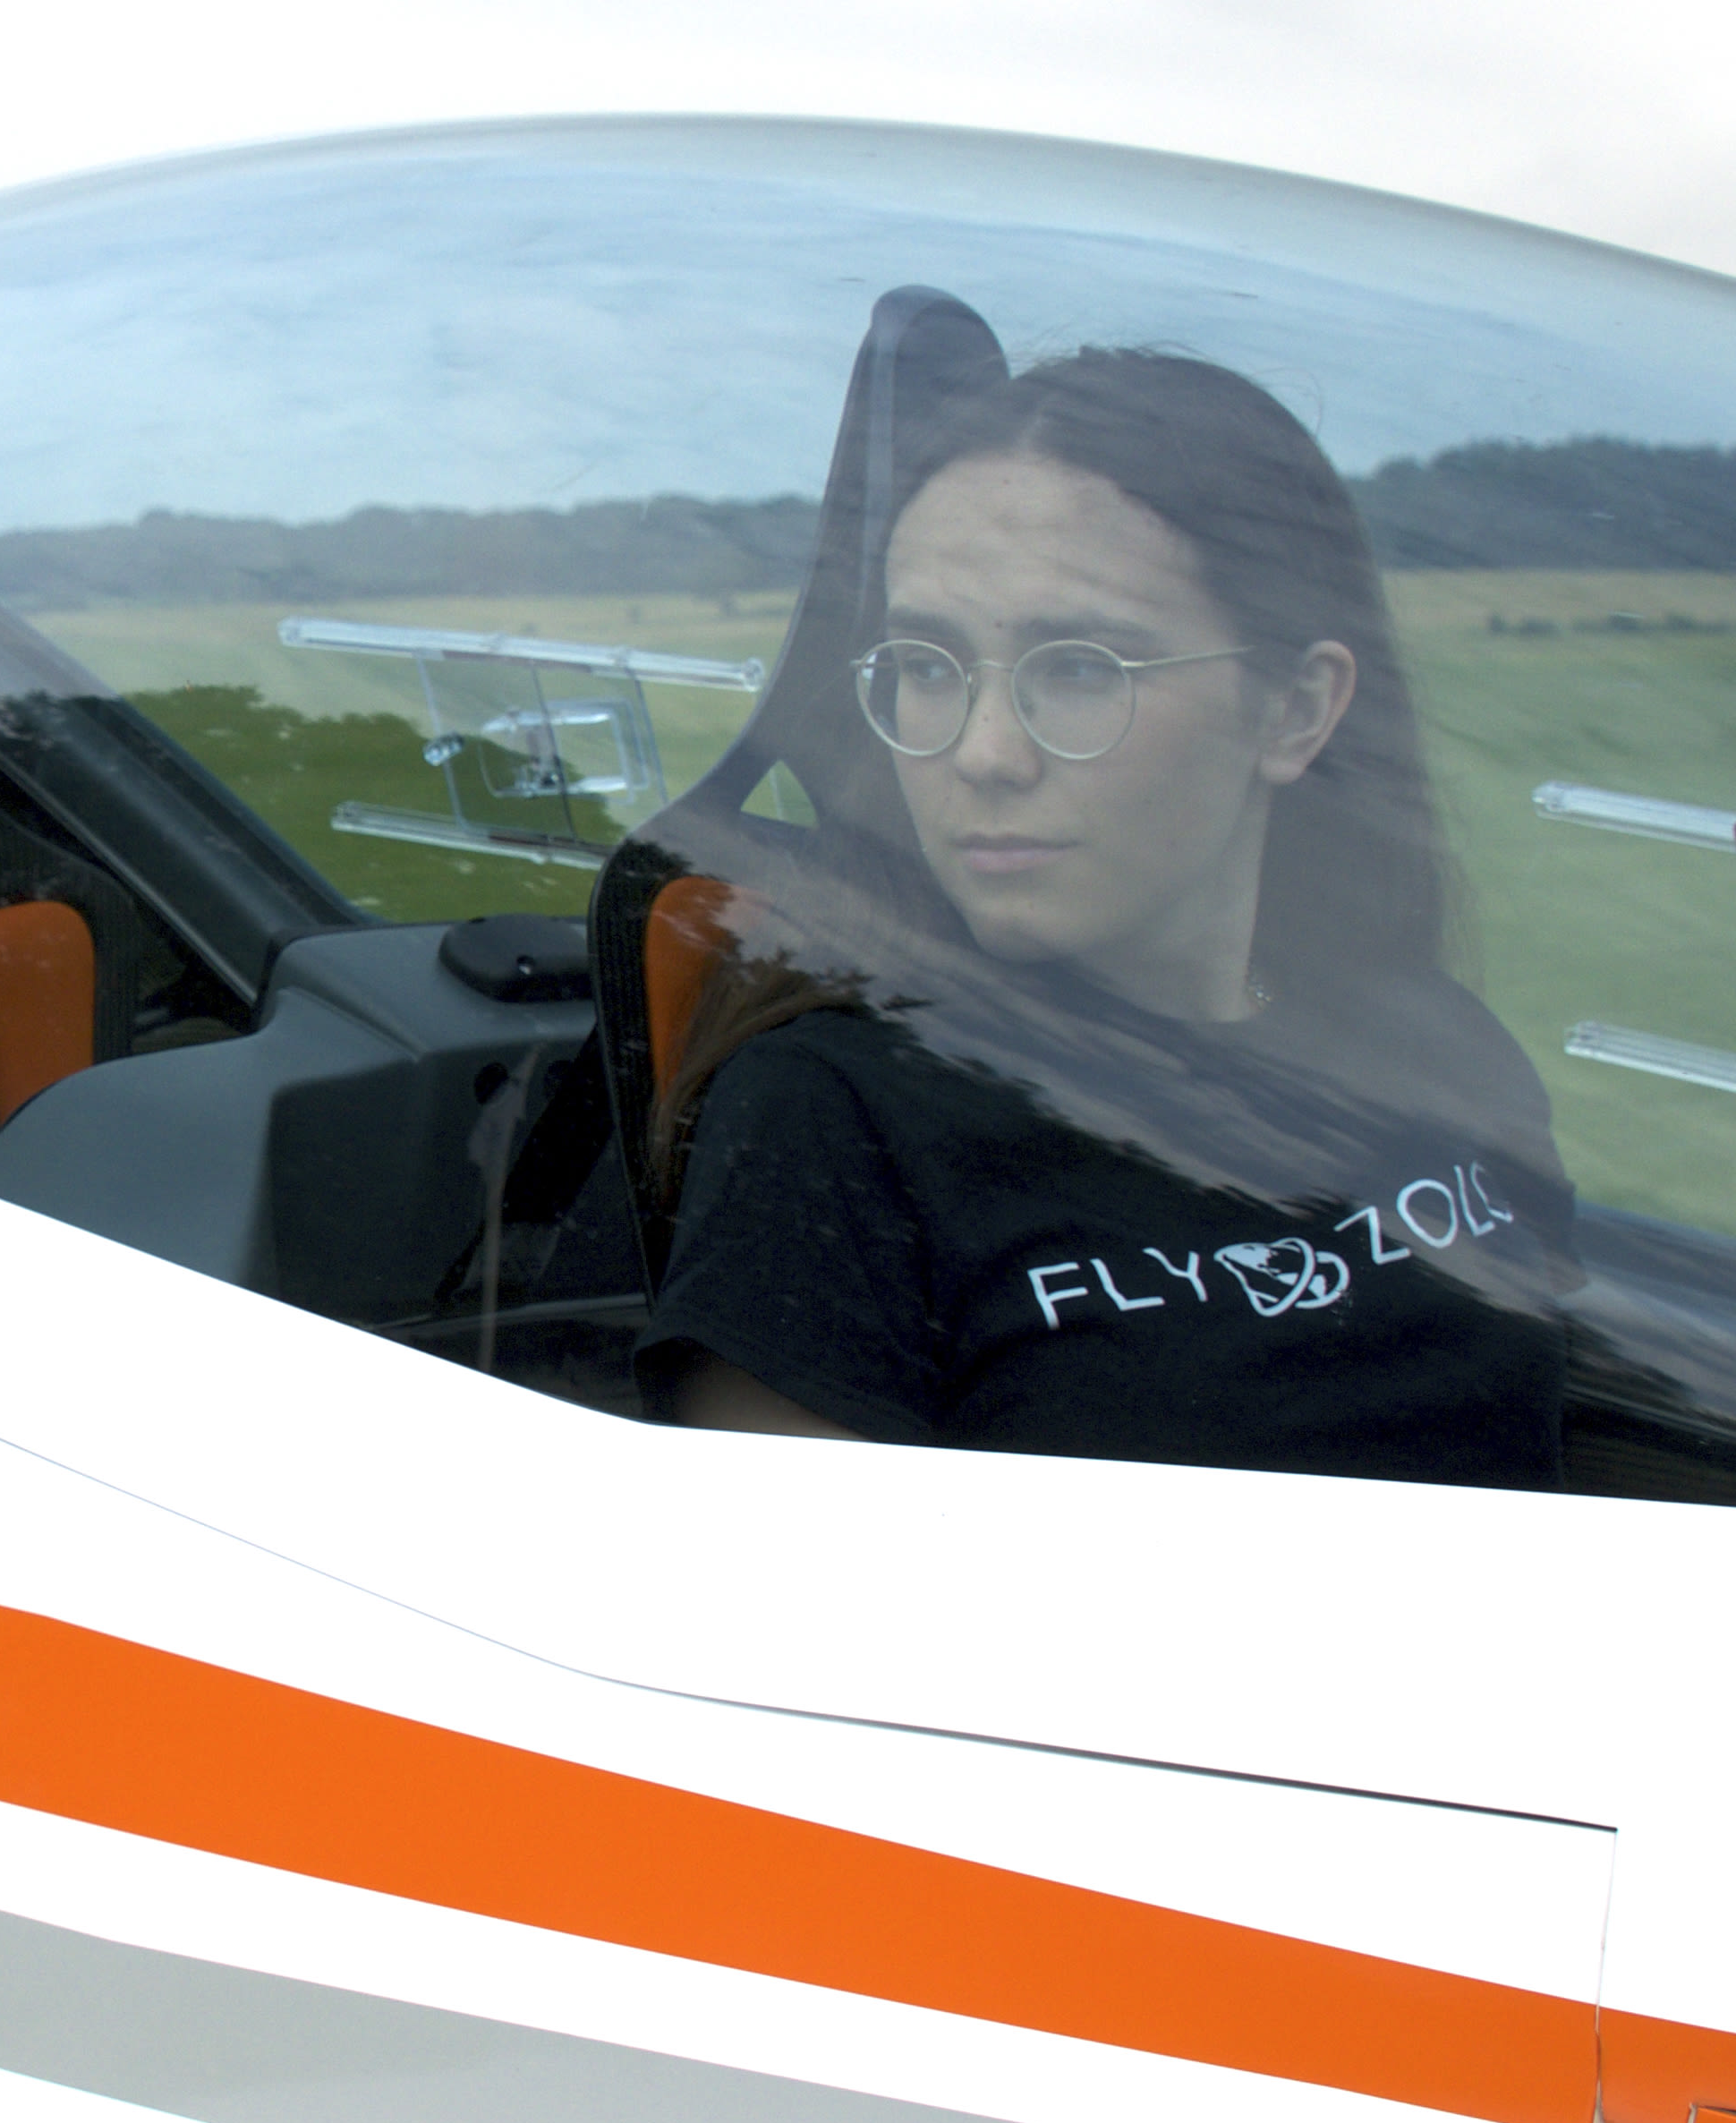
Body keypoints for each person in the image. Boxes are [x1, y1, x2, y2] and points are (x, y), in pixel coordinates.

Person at [642, 347, 1574, 1486]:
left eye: (1079, 670)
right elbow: (792, 1626)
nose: (981, 754)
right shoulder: (834, 1117)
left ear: (1293, 710)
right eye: (928, 665)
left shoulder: (1440, 1053)